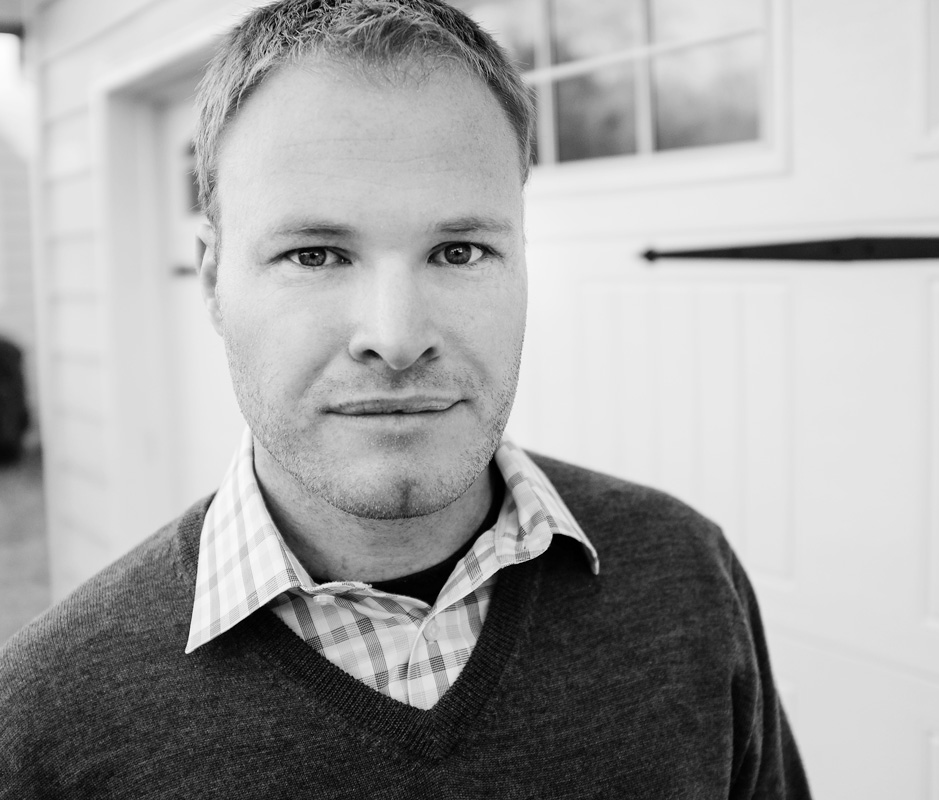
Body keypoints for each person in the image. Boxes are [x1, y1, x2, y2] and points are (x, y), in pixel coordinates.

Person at [0, 1, 811, 797]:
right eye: (315, 254)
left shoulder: (688, 575)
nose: (395, 337)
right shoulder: (45, 719)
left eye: (459, 251)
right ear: (214, 278)